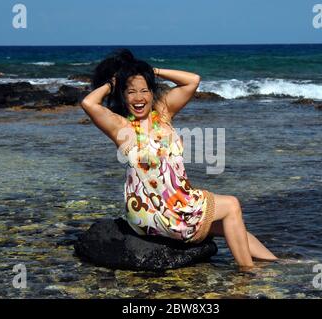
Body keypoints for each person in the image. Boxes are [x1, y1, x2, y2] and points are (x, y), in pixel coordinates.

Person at [81, 49, 277, 270]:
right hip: (155, 209)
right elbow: (89, 103)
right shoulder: (120, 125)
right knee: (232, 205)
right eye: (131, 92)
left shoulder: (162, 113)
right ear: (122, 95)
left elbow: (192, 81)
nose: (139, 98)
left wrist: (150, 71)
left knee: (232, 225)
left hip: (180, 201)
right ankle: (246, 273)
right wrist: (113, 83)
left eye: (145, 90)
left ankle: (278, 264)